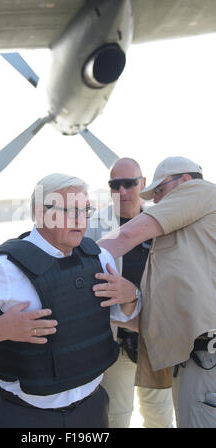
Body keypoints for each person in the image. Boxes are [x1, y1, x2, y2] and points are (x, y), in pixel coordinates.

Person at [0, 173, 141, 429]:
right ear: (40, 212)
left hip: (93, 408)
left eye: (86, 210)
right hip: (29, 417)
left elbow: (121, 316)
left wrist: (131, 295)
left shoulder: (99, 257)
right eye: (71, 210)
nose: (82, 219)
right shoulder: (5, 268)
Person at [97, 156, 216, 428]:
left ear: (185, 182)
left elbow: (124, 238)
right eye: (115, 185)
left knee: (164, 417)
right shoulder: (189, 230)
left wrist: (61, 268)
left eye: (160, 192)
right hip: (164, 346)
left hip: (201, 355)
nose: (159, 201)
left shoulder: (198, 192)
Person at [86, 158, 174, 428]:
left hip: (156, 341)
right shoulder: (92, 227)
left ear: (143, 184)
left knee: (159, 415)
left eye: (129, 183)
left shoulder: (165, 224)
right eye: (115, 185)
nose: (122, 191)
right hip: (115, 342)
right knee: (116, 417)